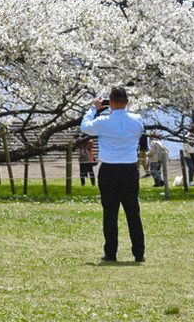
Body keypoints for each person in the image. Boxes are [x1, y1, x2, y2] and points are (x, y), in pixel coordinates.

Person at [80, 86, 145, 263]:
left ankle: (111, 252)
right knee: (133, 212)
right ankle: (138, 252)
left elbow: (85, 127)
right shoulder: (137, 120)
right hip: (130, 169)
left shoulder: (103, 121)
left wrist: (94, 108)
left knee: (110, 212)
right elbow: (139, 133)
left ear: (111, 101)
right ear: (127, 101)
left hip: (109, 169)